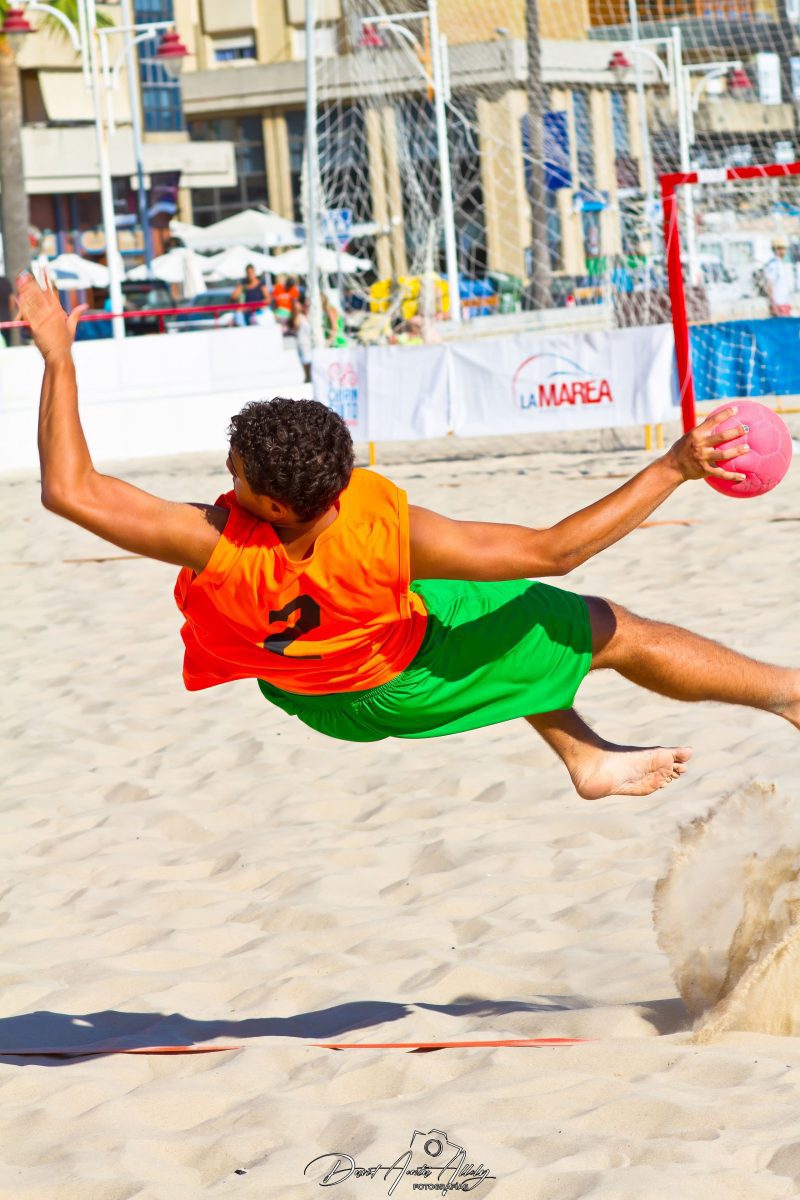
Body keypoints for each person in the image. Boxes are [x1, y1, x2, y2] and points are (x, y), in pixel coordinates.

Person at [19, 270, 800, 802]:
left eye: (238, 475)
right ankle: (787, 693)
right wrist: (674, 465)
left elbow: (70, 489)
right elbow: (557, 546)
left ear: (280, 507)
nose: (228, 483)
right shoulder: (391, 534)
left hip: (305, 695)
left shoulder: (216, 541)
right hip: (401, 684)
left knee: (489, 601)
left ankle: (585, 754)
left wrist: (57, 353)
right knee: (608, 626)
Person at [762, 237, 794, 317]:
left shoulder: (781, 264)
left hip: (784, 303)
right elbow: (769, 285)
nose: (784, 251)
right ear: (776, 250)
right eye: (781, 249)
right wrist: (773, 305)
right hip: (778, 304)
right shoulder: (773, 265)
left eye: (784, 249)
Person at [288, 297, 312, 383]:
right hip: (303, 343)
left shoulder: (304, 316)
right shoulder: (297, 317)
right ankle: (308, 378)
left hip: (309, 342)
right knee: (306, 362)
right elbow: (296, 325)